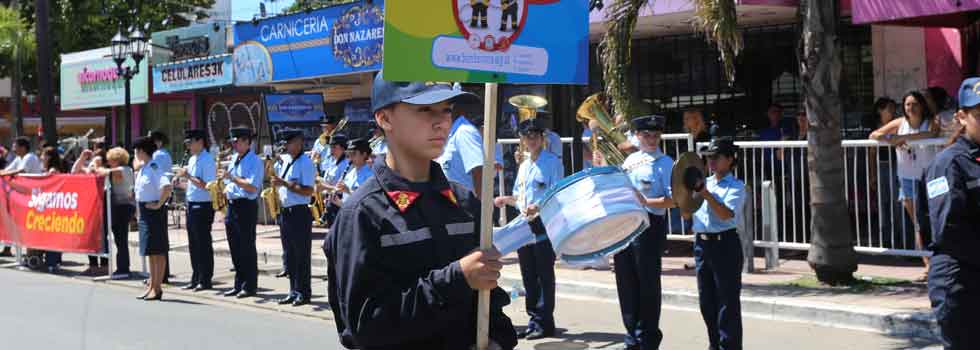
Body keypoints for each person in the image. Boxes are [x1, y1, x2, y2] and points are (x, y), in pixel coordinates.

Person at [326, 73, 518, 349]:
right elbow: (365, 327)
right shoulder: (362, 213)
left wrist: (498, 340)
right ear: (385, 119)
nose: (441, 122)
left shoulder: (463, 203)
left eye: (447, 110)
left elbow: (488, 301)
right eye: (425, 110)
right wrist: (456, 278)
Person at [917, 77, 980, 350]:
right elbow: (948, 229)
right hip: (960, 279)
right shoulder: (948, 163)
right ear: (962, 117)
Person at [493, 118, 563, 340]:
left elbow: (557, 193)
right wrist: (507, 199)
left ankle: (545, 322)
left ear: (542, 138)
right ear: (522, 140)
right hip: (524, 223)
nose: (531, 140)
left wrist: (539, 206)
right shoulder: (523, 166)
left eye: (535, 136)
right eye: (526, 137)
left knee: (544, 274)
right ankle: (534, 319)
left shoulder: (553, 162)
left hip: (542, 222)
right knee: (528, 275)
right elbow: (520, 196)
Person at [614, 115, 674, 350]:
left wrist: (646, 200)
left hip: (649, 226)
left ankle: (648, 338)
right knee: (626, 282)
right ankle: (631, 337)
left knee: (647, 285)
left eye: (655, 135)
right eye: (646, 135)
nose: (651, 139)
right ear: (637, 136)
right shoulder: (629, 161)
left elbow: (674, 200)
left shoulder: (666, 163)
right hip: (626, 225)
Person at [869, 91, 940, 280]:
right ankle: (928, 266)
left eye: (915, 103)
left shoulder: (931, 120)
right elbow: (874, 134)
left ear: (922, 105)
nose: (911, 107)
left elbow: (932, 133)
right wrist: (891, 139)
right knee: (918, 224)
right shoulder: (900, 123)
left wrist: (904, 139)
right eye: (908, 104)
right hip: (907, 178)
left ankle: (940, 262)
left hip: (929, 178)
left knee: (934, 222)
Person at [691, 137, 746, 350]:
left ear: (730, 159)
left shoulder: (736, 186)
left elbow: (725, 215)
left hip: (725, 245)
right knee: (707, 303)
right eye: (709, 157)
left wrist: (705, 194)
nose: (711, 161)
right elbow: (689, 212)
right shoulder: (706, 183)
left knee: (727, 304)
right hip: (702, 245)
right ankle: (714, 346)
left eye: (716, 157)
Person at [270, 130, 316, 306]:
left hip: (299, 212)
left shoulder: (306, 163)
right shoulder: (286, 160)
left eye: (288, 143)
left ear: (298, 143)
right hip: (286, 212)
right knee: (289, 255)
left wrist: (285, 184)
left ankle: (304, 293)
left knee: (301, 254)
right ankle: (293, 290)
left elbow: (308, 190)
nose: (285, 146)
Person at [220, 126, 264, 299]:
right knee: (235, 247)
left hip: (246, 205)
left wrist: (231, 179)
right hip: (232, 205)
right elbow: (233, 182)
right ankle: (238, 283)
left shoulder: (254, 160)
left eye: (237, 142)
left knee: (246, 247)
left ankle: (250, 285)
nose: (234, 145)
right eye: (233, 142)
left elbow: (252, 186)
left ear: (247, 141)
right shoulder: (235, 159)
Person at [173, 129, 217, 291]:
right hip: (191, 203)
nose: (188, 146)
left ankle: (205, 279)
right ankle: (195, 276)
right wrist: (180, 183)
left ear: (200, 142)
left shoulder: (207, 160)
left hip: (203, 205)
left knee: (203, 243)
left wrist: (189, 176)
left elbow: (208, 185)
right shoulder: (192, 159)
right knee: (193, 243)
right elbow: (192, 186)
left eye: (190, 142)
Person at [133, 137, 172, 301]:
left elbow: (166, 187)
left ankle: (158, 287)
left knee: (158, 250)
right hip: (144, 211)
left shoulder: (154, 167)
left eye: (136, 151)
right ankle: (151, 285)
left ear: (142, 151)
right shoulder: (143, 168)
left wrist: (158, 205)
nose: (134, 154)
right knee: (149, 250)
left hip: (154, 211)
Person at [95, 147, 137, 279]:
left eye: (110, 160)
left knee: (120, 239)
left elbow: (102, 172)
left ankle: (123, 268)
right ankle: (123, 267)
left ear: (115, 160)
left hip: (122, 206)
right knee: (120, 239)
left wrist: (96, 164)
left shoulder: (120, 170)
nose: (108, 162)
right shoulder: (128, 169)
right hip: (124, 206)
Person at [437, 112, 487, 196]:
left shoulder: (464, 131)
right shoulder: (452, 132)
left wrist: (482, 202)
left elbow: (477, 168)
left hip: (463, 201)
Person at [319, 133, 350, 227]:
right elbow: (326, 180)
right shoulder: (332, 162)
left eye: (334, 147)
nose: (331, 150)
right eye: (330, 147)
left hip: (339, 202)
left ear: (342, 148)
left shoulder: (346, 164)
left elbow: (342, 187)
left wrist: (324, 186)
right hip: (330, 201)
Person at [333, 138, 374, 205]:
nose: (350, 158)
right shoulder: (350, 172)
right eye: (349, 154)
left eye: (353, 154)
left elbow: (368, 201)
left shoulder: (371, 174)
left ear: (364, 154)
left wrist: (348, 191)